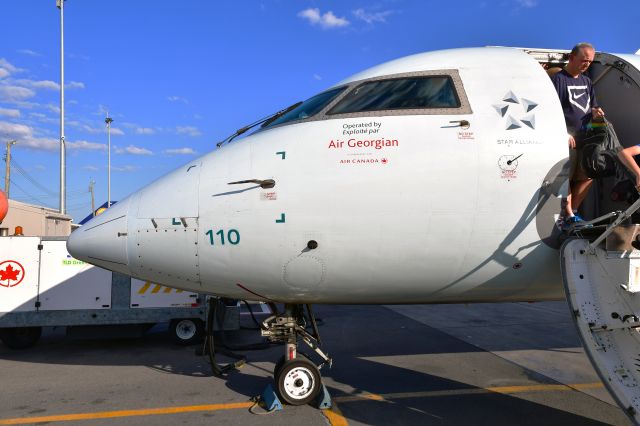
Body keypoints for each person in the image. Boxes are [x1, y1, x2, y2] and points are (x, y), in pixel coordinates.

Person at [551, 42, 605, 228]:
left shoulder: (587, 81)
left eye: (590, 62)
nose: (587, 64)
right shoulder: (559, 79)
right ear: (572, 57)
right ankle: (567, 214)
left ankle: (572, 212)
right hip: (568, 139)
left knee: (588, 174)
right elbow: (553, 109)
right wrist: (563, 133)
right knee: (567, 177)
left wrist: (597, 113)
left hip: (586, 137)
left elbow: (593, 105)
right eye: (584, 60)